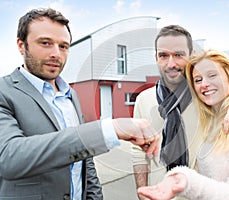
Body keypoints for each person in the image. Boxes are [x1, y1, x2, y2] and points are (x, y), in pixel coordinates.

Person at [0, 8, 159, 199]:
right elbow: (10, 158)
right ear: (21, 45)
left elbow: (85, 160)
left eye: (63, 46)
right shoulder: (4, 91)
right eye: (45, 43)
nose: (56, 54)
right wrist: (110, 129)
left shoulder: (71, 95)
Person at [132, 25, 229, 200]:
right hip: (157, 194)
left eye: (178, 54)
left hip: (202, 194)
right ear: (156, 57)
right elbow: (138, 152)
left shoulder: (203, 95)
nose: (171, 63)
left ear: (191, 54)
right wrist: (142, 192)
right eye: (163, 55)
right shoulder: (143, 99)